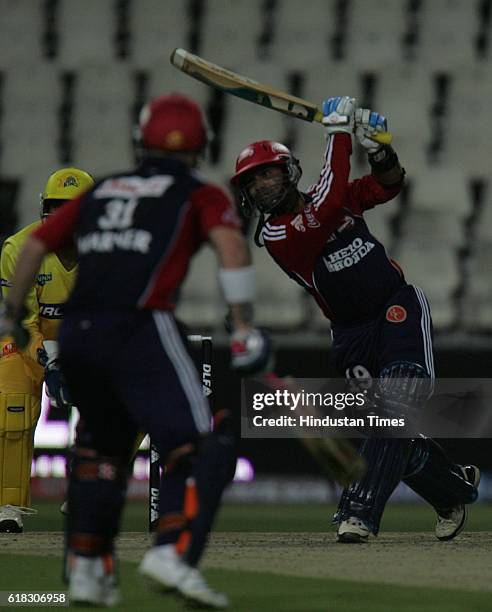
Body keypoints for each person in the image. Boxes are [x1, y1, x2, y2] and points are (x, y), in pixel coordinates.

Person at [0, 92, 268, 608]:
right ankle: (172, 553)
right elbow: (233, 250)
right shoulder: (198, 192)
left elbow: (33, 246)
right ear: (202, 144)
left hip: (78, 335)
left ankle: (84, 570)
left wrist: (12, 317)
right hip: (141, 325)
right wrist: (242, 327)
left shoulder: (101, 192)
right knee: (202, 443)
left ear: (139, 141)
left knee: (100, 452)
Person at [230, 96, 480, 544]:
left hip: (395, 309)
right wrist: (339, 133)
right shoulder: (276, 235)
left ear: (288, 172)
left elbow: (388, 186)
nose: (261, 186)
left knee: (396, 406)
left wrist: (380, 150)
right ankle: (455, 488)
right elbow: (324, 208)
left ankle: (358, 512)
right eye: (252, 182)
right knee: (390, 430)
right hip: (352, 336)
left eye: (268, 173)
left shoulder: (334, 194)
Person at [0, 167, 94, 533]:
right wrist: (52, 362)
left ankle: (88, 494)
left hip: (84, 342)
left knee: (122, 399)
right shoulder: (19, 249)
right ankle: (8, 505)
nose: (63, 217)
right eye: (56, 208)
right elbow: (22, 320)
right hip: (26, 343)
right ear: (44, 210)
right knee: (12, 401)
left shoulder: (106, 252)